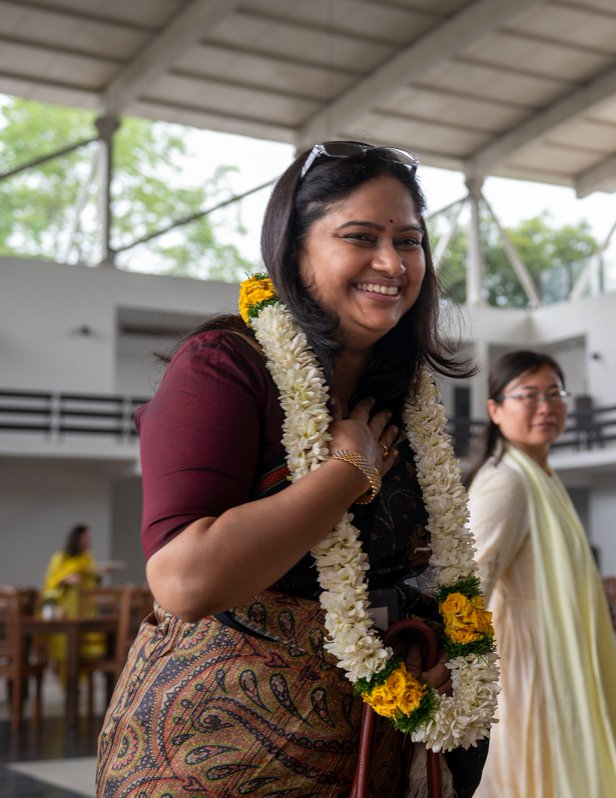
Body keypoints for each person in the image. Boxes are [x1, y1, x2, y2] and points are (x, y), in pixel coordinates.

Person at [95, 142, 495, 796]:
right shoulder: (226, 366)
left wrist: (435, 647)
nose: (392, 263)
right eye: (359, 237)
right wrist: (345, 473)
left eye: (410, 240)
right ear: (294, 248)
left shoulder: (402, 395)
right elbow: (184, 580)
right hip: (219, 756)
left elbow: (402, 565)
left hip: (367, 758)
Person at [467, 350, 616, 798]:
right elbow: (468, 587)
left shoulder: (542, 475)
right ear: (495, 409)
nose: (546, 406)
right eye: (528, 395)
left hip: (554, 656)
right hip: (525, 672)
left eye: (554, 393)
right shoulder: (507, 482)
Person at [41, 523, 107, 664]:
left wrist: (98, 575)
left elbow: (92, 579)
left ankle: (80, 683)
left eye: (90, 538)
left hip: (85, 607)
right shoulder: (61, 557)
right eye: (86, 538)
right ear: (76, 538)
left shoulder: (87, 557)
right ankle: (66, 681)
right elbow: (50, 580)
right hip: (65, 608)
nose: (89, 541)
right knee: (65, 647)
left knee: (85, 649)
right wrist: (65, 578)